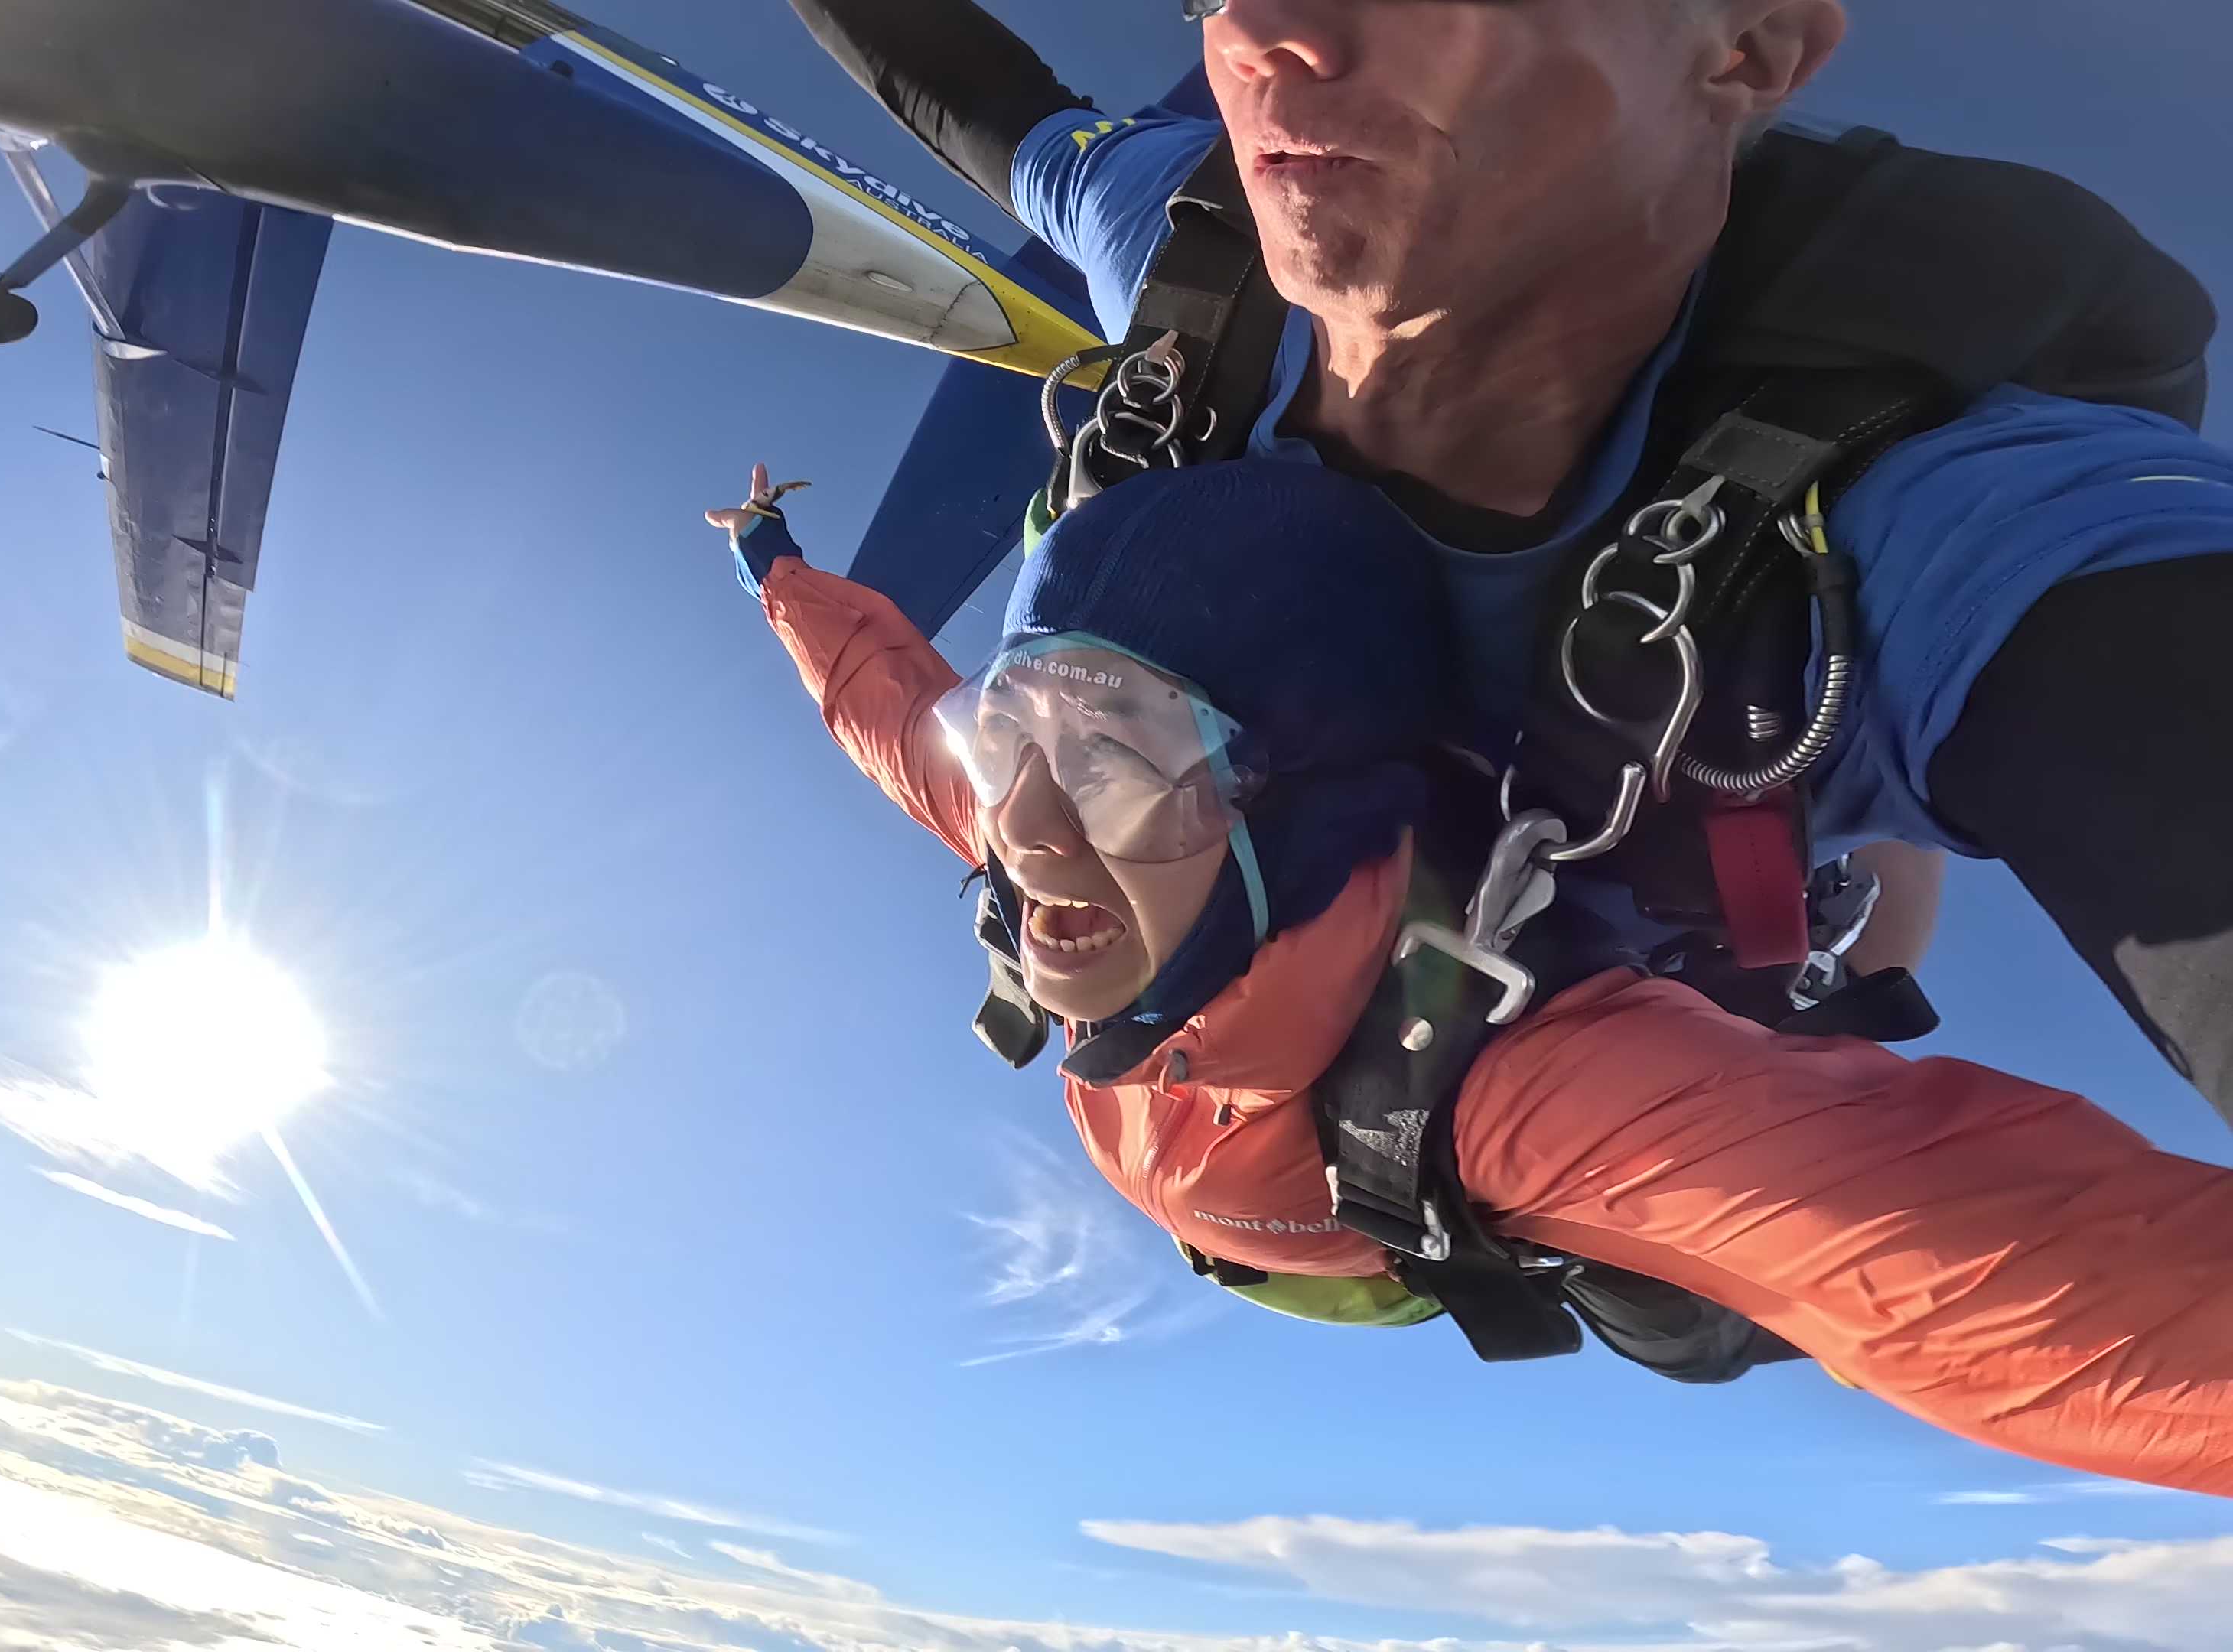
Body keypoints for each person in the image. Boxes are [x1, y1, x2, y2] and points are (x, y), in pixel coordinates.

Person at [783, 0, 2233, 1124]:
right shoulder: (1203, 241)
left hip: (1652, 880)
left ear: (1749, 48)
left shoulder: (1946, 517)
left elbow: (2131, 668)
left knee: (1828, 799)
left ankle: (1852, 924)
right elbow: (998, 112)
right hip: (1284, 928)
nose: (1267, 35)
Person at [706, 454, 2233, 1497]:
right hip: (1274, 1202)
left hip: (1404, 1214)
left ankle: (1877, 826)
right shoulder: (1047, 832)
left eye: (1116, 754)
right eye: (1019, 737)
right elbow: (897, 713)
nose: (1023, 826)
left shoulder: (1522, 1084)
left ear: (1294, 799)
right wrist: (777, 568)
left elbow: (2026, 1286)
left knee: (1754, 1216)